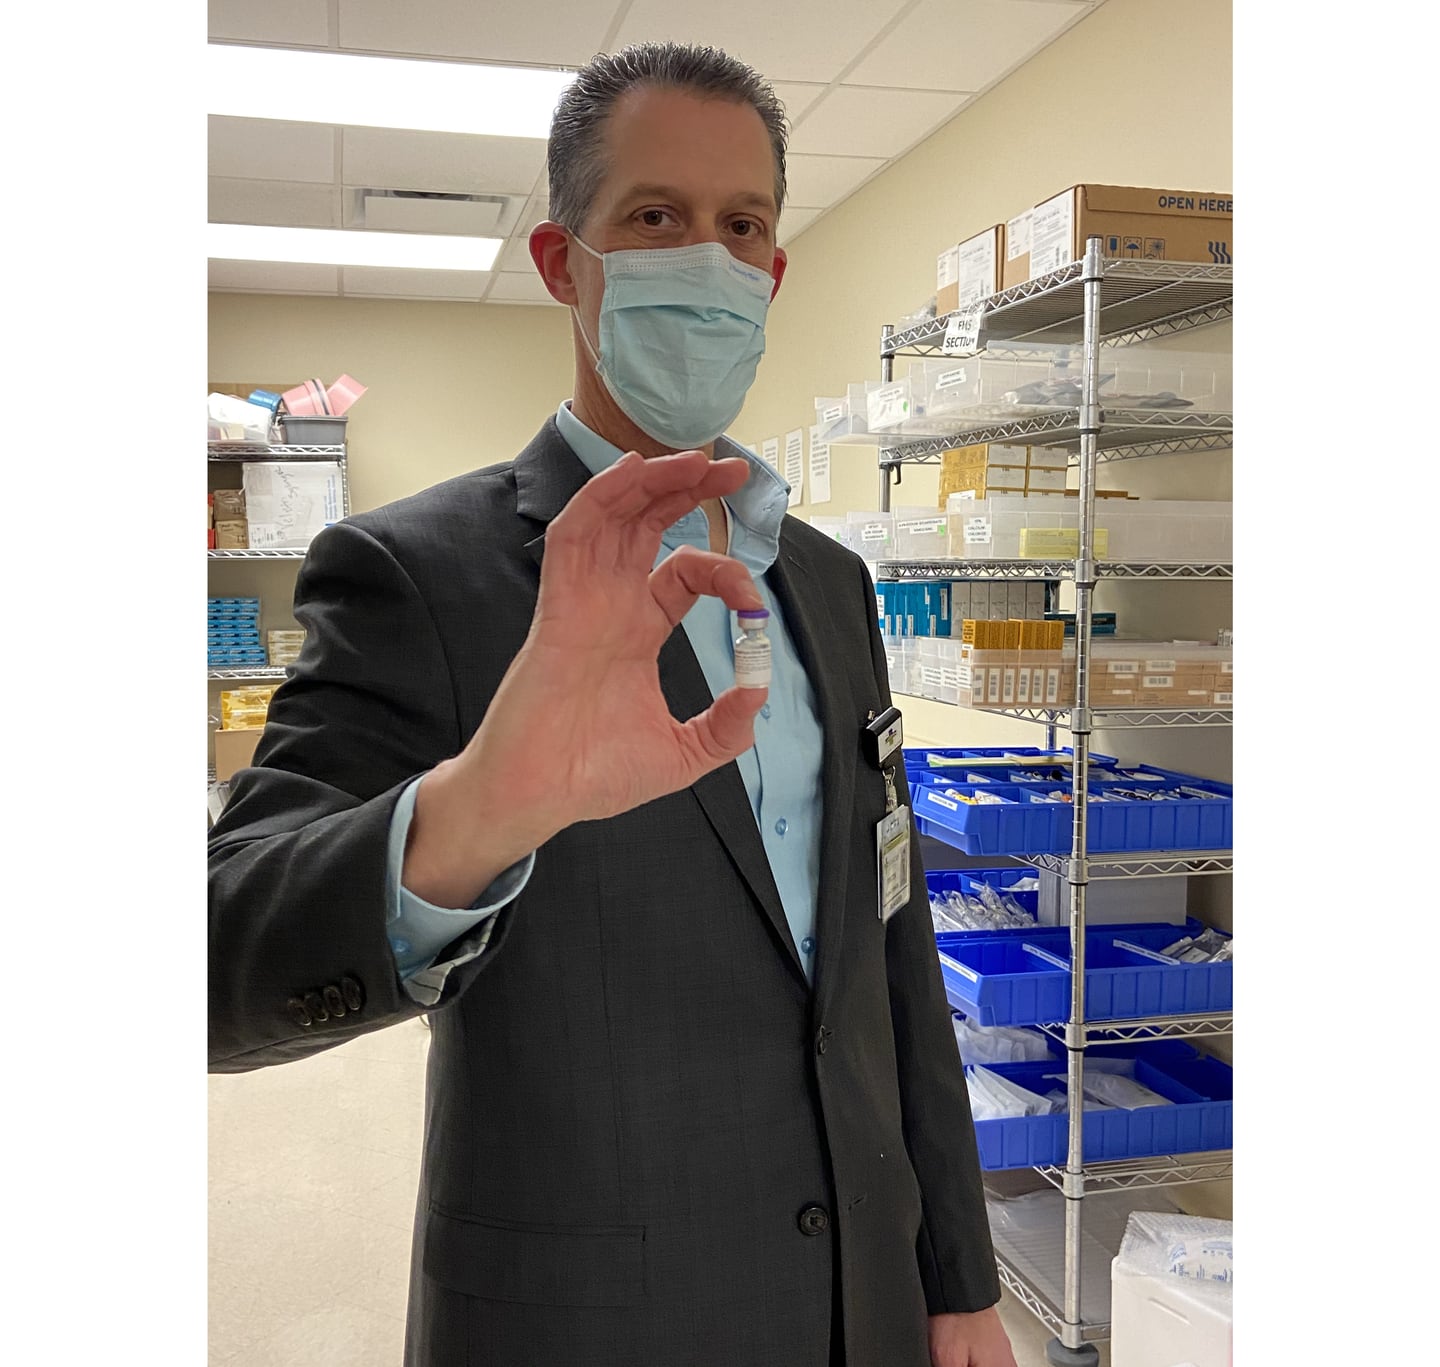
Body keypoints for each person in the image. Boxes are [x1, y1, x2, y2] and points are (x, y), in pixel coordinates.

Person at [209, 40, 1016, 1367]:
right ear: (560, 263)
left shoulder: (826, 583)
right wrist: (475, 815)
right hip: (591, 1319)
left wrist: (957, 1274)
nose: (707, 259)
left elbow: (890, 926)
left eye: (740, 226)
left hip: (862, 1302)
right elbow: (217, 953)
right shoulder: (423, 576)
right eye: (655, 219)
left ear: (773, 271)